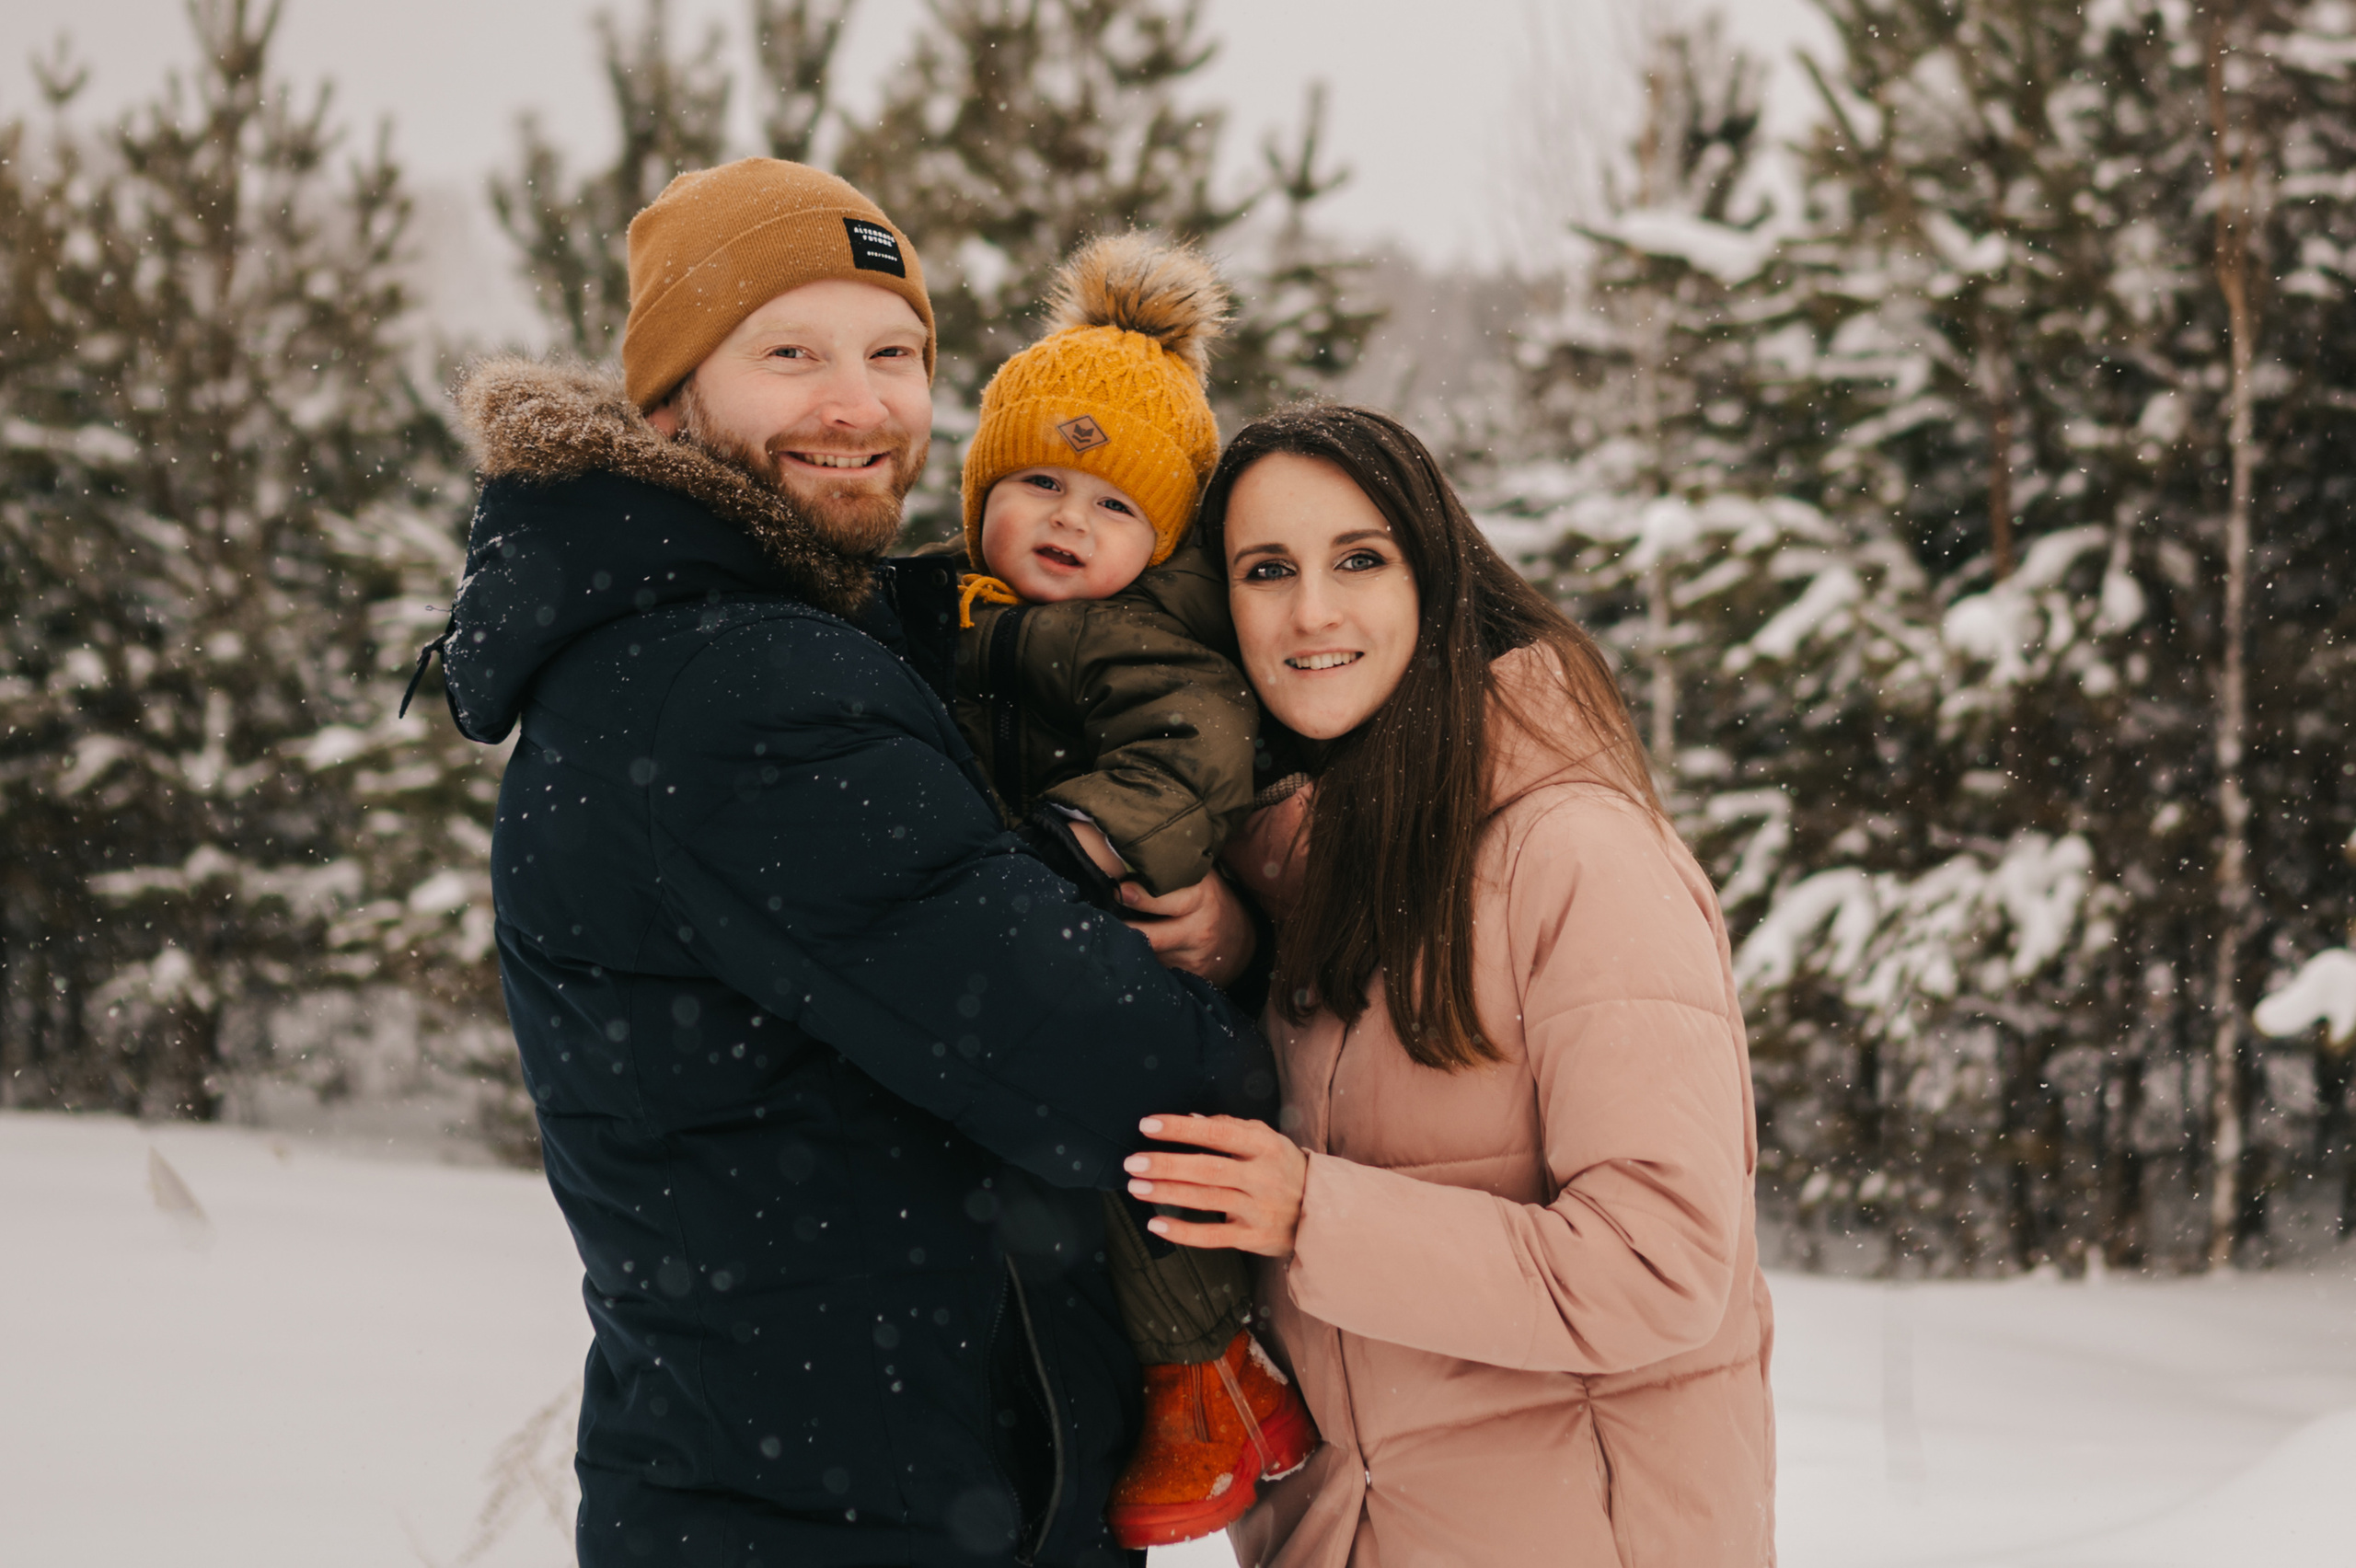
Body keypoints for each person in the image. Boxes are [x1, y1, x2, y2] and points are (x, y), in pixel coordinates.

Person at [426, 158, 1275, 1568]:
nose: (859, 404)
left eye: (895, 353)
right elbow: (1132, 1075)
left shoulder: (754, 639)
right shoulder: (739, 690)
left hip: (838, 1487)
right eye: (792, 353)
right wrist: (1247, 972)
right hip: (842, 1517)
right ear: (670, 395)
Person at [1121, 405, 1778, 1566]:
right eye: (1266, 570)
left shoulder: (1577, 855)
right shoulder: (1306, 878)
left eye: (1359, 560)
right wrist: (1234, 949)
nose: (1311, 612)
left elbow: (1656, 1268)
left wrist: (1313, 1213)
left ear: (1438, 583)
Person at [947, 231, 1316, 1549]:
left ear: (1162, 539)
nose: (1067, 520)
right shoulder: (961, 607)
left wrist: (1078, 842)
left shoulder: (1141, 637)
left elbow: (1197, 751)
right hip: (1043, 954)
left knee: (1132, 1165)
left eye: (1114, 507)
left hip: (1112, 926)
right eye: (1037, 481)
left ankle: (1212, 1374)